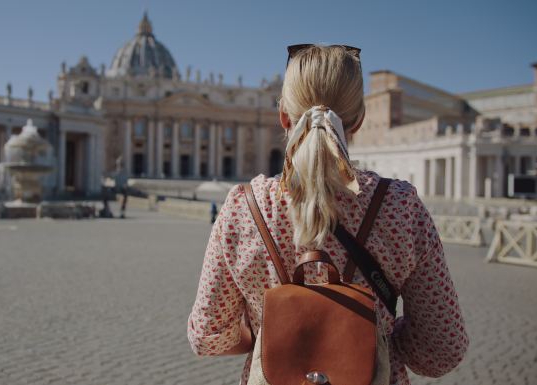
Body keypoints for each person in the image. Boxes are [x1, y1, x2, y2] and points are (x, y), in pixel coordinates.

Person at [187, 45, 468, 385]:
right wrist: (375, 335)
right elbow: (443, 348)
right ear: (359, 121)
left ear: (284, 117)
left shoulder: (243, 208)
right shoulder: (401, 206)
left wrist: (267, 332)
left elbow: (207, 335)